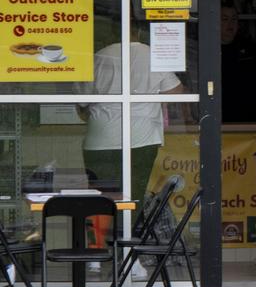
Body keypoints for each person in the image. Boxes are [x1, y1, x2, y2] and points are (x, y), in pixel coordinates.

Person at [79, 29, 185, 198]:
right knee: (132, 198)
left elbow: (81, 101)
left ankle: (111, 225)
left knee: (102, 202)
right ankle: (128, 224)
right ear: (139, 31)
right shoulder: (152, 54)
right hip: (141, 137)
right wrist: (154, 101)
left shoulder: (99, 57)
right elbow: (175, 90)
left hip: (100, 138)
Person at [220, 3, 256, 123]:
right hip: (215, 117)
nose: (230, 24)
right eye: (225, 19)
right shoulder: (205, 48)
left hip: (248, 119)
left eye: (234, 19)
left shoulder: (250, 48)